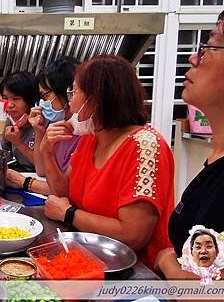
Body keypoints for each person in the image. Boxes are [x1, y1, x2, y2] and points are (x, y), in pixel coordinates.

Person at [42, 54, 175, 268]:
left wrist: (69, 214)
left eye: (74, 92)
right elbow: (63, 191)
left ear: (95, 100)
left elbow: (133, 234)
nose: (70, 102)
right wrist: (46, 151)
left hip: (133, 271)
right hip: (90, 257)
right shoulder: (91, 139)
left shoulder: (146, 146)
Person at [155, 1, 224, 279]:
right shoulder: (221, 157)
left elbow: (223, 291)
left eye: (211, 47)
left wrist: (168, 261)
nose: (194, 58)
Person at [6, 57, 81, 194]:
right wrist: (39, 132)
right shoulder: (56, 125)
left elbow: (66, 189)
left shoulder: (84, 132)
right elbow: (41, 171)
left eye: (45, 96)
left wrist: (23, 182)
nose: (43, 103)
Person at [0, 71, 39, 172]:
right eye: (5, 98)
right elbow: (4, 155)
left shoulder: (41, 122)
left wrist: (18, 143)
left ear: (30, 101)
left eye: (16, 99)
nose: (9, 105)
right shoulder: (11, 120)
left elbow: (42, 166)